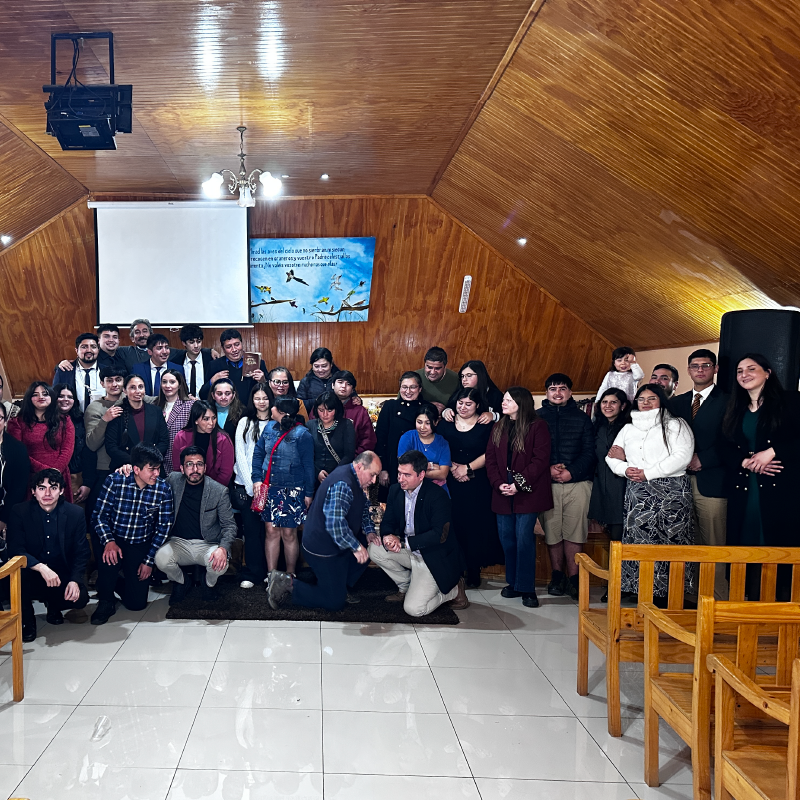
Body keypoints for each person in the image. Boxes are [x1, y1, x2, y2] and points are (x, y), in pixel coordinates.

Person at [606, 384, 694, 601]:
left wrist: (649, 473)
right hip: (638, 490)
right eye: (641, 399)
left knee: (671, 540)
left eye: (651, 398)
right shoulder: (628, 428)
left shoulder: (676, 424)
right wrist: (625, 469)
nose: (645, 403)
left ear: (662, 400)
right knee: (639, 540)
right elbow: (612, 457)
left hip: (671, 490)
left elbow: (682, 455)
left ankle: (670, 593)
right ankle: (640, 589)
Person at [266, 452, 381, 611]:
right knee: (334, 602)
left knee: (367, 545)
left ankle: (340, 585)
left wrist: (369, 531)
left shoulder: (357, 479)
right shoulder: (343, 484)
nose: (374, 480)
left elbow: (363, 508)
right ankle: (287, 583)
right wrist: (356, 546)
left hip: (335, 541)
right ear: (360, 467)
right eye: (373, 475)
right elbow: (335, 524)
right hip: (321, 548)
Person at [368, 449, 469, 615]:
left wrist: (402, 542)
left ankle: (454, 591)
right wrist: (387, 536)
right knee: (375, 548)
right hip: (409, 550)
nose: (401, 479)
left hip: (432, 556)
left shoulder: (437, 496)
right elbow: (389, 521)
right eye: (399, 473)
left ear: (421, 475)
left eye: (406, 475)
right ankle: (405, 587)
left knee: (414, 609)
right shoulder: (395, 491)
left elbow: (439, 535)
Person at [722, 354, 800, 561]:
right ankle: (745, 594)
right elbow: (723, 445)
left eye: (751, 369)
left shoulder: (792, 401)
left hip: (783, 487)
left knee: (778, 550)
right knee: (745, 550)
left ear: (768, 373)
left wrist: (774, 452)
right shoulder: (734, 408)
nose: (744, 374)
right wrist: (745, 461)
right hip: (745, 486)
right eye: (740, 371)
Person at [91, 443, 175, 623]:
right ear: (136, 469)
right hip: (115, 539)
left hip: (140, 543)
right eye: (151, 469)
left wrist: (148, 561)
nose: (156, 474)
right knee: (109, 558)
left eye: (158, 469)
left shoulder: (163, 489)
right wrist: (109, 541)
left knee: (136, 604)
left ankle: (118, 584)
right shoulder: (115, 481)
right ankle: (106, 599)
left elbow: (163, 529)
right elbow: (99, 516)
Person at [485, 387, 553, 608]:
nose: (503, 403)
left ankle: (527, 588)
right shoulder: (499, 426)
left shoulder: (537, 425)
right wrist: (499, 484)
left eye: (508, 400)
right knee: (507, 538)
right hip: (502, 489)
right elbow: (491, 460)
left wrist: (519, 484)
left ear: (521, 402)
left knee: (524, 538)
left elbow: (540, 460)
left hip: (527, 491)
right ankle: (513, 583)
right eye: (503, 400)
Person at [671, 349, 729, 598]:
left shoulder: (729, 401)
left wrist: (703, 459)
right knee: (686, 541)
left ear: (715, 369)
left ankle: (717, 600)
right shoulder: (677, 403)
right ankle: (692, 598)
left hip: (712, 482)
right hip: (679, 483)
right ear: (688, 370)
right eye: (695, 366)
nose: (700, 370)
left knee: (714, 545)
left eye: (706, 365)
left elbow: (734, 441)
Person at [7, 469, 90, 642]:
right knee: (19, 571)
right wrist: (41, 567)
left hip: (60, 572)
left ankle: (54, 606)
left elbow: (81, 552)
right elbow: (16, 549)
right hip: (32, 572)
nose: (47, 493)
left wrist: (75, 580)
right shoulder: (19, 512)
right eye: (41, 488)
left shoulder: (75, 513)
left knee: (80, 598)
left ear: (61, 491)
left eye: (53, 488)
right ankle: (28, 622)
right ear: (33, 491)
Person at [537, 373, 596, 600]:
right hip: (546, 483)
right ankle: (557, 576)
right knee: (552, 532)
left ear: (570, 392)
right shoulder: (537, 417)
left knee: (574, 532)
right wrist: (548, 470)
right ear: (547, 393)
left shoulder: (582, 419)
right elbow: (532, 453)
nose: (558, 393)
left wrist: (571, 471)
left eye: (562, 388)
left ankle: (574, 579)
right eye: (553, 389)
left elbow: (589, 452)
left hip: (578, 483)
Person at [154, 445, 236, 605]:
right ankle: (182, 581)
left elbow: (230, 526)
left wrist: (223, 548)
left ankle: (208, 583)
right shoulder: (172, 480)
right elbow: (151, 485)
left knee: (220, 563)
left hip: (207, 544)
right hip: (178, 542)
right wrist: (128, 470)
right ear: (182, 468)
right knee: (161, 559)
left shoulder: (219, 491)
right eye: (189, 464)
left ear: (205, 467)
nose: (195, 469)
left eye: (199, 464)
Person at [436, 387, 499, 588]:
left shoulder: (486, 424)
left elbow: (492, 452)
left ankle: (474, 569)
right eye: (460, 403)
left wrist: (467, 468)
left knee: (475, 524)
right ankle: (457, 569)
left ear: (478, 405)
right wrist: (455, 467)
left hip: (478, 481)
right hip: (450, 480)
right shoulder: (446, 423)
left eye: (469, 404)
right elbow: (439, 447)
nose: (463, 407)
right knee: (454, 523)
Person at [252, 397, 315, 579]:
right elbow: (258, 455)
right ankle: (271, 575)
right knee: (271, 531)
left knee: (289, 533)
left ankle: (290, 574)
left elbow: (308, 466)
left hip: (293, 489)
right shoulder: (269, 428)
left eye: (274, 406)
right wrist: (256, 479)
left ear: (282, 412)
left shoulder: (303, 434)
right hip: (269, 487)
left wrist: (308, 492)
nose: (271, 408)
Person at [588, 389, 631, 602]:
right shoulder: (598, 425)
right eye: (604, 402)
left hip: (623, 489)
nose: (608, 406)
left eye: (613, 402)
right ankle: (616, 583)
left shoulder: (630, 427)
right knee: (612, 539)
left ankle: (619, 586)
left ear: (623, 405)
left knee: (620, 540)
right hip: (602, 487)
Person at [8, 382, 76, 502]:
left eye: (45, 393)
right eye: (35, 394)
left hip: (59, 474)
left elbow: (67, 450)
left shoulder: (65, 421)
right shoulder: (17, 422)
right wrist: (45, 472)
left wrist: (55, 472)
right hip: (31, 475)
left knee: (61, 516)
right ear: (29, 398)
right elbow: (18, 453)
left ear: (52, 396)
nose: (41, 397)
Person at [232, 386, 271, 588]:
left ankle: (270, 571)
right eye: (257, 398)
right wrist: (251, 486)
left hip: (271, 486)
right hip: (246, 487)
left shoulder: (276, 423)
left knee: (270, 532)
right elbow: (241, 455)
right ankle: (254, 572)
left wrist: (265, 485)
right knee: (252, 531)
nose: (262, 402)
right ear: (252, 400)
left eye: (265, 398)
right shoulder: (245, 423)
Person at [84, 367, 126, 528]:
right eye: (109, 380)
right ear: (102, 383)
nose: (114, 384)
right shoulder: (95, 407)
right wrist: (105, 420)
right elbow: (92, 444)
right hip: (104, 469)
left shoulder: (134, 399)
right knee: (100, 516)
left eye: (118, 379)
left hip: (131, 466)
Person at [104, 374, 170, 470]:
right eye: (132, 387)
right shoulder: (117, 412)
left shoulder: (156, 411)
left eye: (140, 387)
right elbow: (111, 446)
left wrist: (149, 460)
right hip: (125, 467)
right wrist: (136, 461)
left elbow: (164, 441)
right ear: (125, 391)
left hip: (153, 466)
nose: (137, 391)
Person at [375, 371, 423, 498]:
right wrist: (383, 468)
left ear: (420, 389)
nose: (408, 391)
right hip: (392, 465)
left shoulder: (425, 408)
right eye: (404, 387)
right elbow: (380, 438)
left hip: (417, 465)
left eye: (412, 387)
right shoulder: (390, 406)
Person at [171, 401, 235, 486]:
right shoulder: (181, 437)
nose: (211, 423)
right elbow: (177, 468)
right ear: (196, 420)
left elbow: (226, 473)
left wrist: (212, 491)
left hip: (216, 489)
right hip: (187, 486)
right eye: (206, 419)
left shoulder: (223, 440)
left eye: (214, 418)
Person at [397, 403, 451, 494]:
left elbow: (442, 474)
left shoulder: (442, 443)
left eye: (428, 423)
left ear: (436, 422)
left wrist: (415, 471)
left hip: (438, 490)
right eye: (419, 422)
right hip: (411, 489)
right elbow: (403, 467)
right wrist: (432, 466)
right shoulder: (408, 437)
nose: (422, 427)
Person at [202, 328, 267, 402]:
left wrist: (263, 381)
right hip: (225, 410)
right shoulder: (214, 365)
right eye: (229, 347)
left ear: (242, 344)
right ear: (223, 349)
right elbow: (203, 395)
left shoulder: (258, 363)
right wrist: (212, 381)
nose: (234, 349)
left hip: (251, 411)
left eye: (237, 344)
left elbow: (270, 393)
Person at [306, 391, 356, 486]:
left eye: (329, 410)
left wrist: (334, 474)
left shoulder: (346, 425)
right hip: (314, 476)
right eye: (321, 410)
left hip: (340, 476)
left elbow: (349, 455)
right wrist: (318, 472)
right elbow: (307, 454)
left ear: (336, 410)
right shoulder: (310, 425)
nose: (325, 414)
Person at [53, 384, 90, 503]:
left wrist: (87, 483)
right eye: (61, 396)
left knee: (75, 516)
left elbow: (88, 451)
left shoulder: (81, 420)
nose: (65, 400)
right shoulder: (45, 420)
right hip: (50, 475)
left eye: (70, 397)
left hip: (76, 477)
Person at [326, 370, 376, 455]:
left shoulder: (360, 411)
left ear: (352, 390)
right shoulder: (322, 407)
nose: (343, 386)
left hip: (352, 461)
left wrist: (354, 458)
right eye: (340, 382)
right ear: (333, 385)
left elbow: (368, 440)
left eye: (348, 384)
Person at [0, 401, 30, 539]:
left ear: (5, 421)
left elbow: (19, 487)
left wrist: (4, 518)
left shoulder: (17, 449)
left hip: (6, 510)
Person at [53, 333, 102, 413]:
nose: (89, 350)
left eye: (93, 347)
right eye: (84, 347)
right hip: (71, 421)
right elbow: (55, 397)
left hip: (102, 421)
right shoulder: (64, 370)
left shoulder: (107, 371)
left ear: (98, 350)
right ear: (76, 350)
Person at [156, 369, 195, 468]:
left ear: (180, 385)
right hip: (157, 462)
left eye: (172, 382)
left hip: (179, 462)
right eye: (164, 382)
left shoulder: (189, 405)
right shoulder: (155, 405)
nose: (167, 386)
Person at [170, 324, 217, 397]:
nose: (196, 346)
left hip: (206, 403)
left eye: (198, 341)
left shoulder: (210, 360)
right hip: (184, 403)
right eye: (191, 342)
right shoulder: (177, 362)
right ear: (183, 343)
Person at [414, 346, 459, 412]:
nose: (432, 372)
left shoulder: (456, 379)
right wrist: (428, 406)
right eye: (429, 367)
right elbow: (401, 403)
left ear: (444, 367)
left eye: (437, 368)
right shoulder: (414, 377)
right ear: (425, 364)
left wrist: (447, 410)